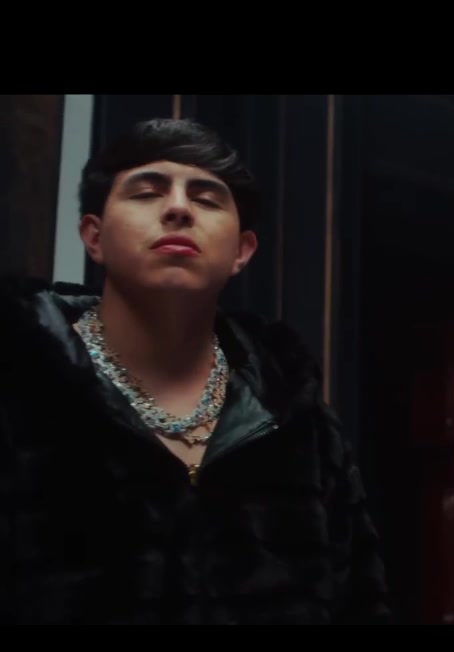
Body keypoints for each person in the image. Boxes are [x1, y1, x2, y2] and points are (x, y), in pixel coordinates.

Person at [0, 118, 391, 623]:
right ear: (93, 237)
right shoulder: (22, 381)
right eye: (147, 192)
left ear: (242, 252)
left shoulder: (298, 422)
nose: (179, 208)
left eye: (207, 199)